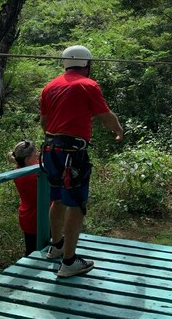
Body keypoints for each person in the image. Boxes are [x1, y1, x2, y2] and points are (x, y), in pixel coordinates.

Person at [39, 45, 123, 278]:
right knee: (76, 206)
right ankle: (69, 261)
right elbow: (105, 116)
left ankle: (56, 247)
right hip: (72, 153)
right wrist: (118, 130)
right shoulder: (88, 85)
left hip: (50, 150)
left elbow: (44, 122)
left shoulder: (49, 86)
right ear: (87, 64)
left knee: (56, 198)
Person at [8, 140, 39, 257]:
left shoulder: (18, 171)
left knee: (31, 251)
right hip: (38, 218)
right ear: (27, 159)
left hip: (27, 217)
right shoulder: (34, 176)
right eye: (35, 153)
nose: (37, 154)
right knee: (38, 254)